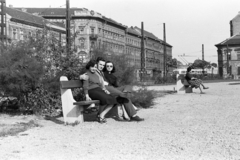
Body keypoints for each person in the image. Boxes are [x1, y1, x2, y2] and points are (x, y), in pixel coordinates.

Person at [95, 57, 144, 122]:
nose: (109, 67)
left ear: (113, 67)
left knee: (127, 87)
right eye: (107, 66)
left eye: (111, 66)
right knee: (124, 96)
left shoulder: (113, 76)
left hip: (113, 90)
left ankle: (132, 114)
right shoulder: (103, 73)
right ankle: (133, 114)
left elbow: (116, 86)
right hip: (107, 89)